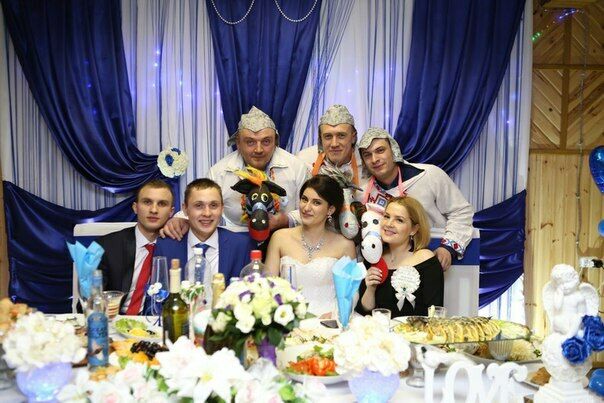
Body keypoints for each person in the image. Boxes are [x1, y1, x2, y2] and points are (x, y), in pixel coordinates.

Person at [162, 106, 309, 239]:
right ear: (238, 143)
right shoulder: (219, 172)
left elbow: (313, 209)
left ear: (275, 141)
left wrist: (287, 220)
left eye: (266, 141)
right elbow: (201, 203)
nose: (258, 149)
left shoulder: (296, 168)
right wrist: (180, 219)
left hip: (285, 240)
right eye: (250, 142)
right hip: (236, 241)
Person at [357, 128, 474, 271]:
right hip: (388, 267)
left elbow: (461, 212)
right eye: (367, 155)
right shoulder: (362, 193)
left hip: (435, 259)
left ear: (393, 150)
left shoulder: (430, 176)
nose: (374, 159)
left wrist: (448, 248)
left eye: (380, 150)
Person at [265, 175, 357, 318]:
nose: (306, 208)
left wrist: (336, 315)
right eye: (304, 199)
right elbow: (267, 287)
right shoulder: (280, 238)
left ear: (330, 209)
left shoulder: (345, 245)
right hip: (287, 320)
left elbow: (351, 293)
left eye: (316, 203)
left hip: (331, 321)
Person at [155, 178, 255, 285]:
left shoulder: (242, 246)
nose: (207, 213)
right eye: (198, 205)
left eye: (213, 205)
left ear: (222, 209)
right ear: (185, 209)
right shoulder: (165, 246)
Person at [355, 197, 443, 317]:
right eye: (386, 216)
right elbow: (364, 311)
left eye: (399, 220)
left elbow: (435, 314)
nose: (389, 224)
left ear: (414, 229)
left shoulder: (426, 259)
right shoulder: (374, 257)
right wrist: (371, 288)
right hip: (378, 328)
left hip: (415, 329)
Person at [97, 179, 174, 315]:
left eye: (162, 204)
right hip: (117, 319)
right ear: (135, 207)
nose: (154, 210)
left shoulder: (178, 246)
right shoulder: (107, 245)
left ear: (171, 212)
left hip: (160, 321)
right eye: (147, 202)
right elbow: (92, 300)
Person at [297, 104, 366, 190]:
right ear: (320, 139)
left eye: (341, 135)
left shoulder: (367, 163)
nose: (334, 144)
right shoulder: (303, 160)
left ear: (353, 137)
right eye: (328, 136)